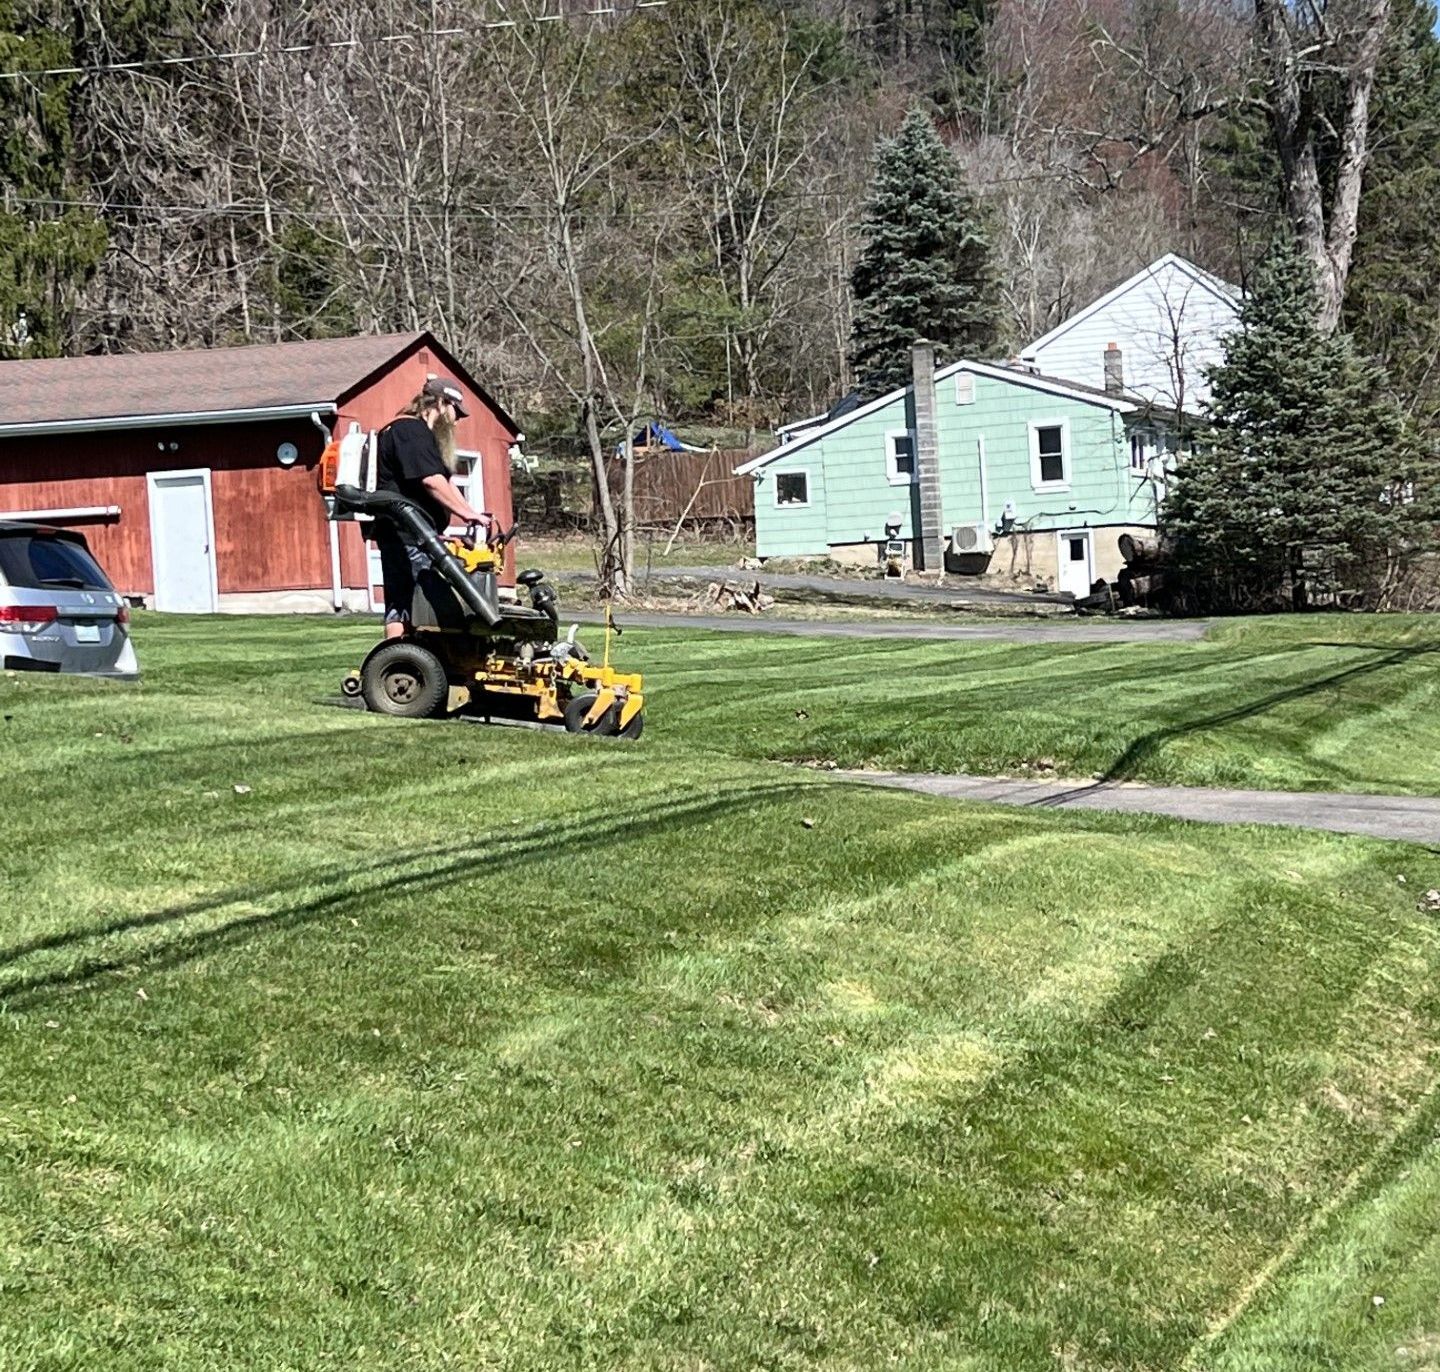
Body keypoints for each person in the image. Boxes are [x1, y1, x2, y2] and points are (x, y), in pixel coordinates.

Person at [372, 376, 490, 639]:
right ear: (440, 402)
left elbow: (436, 482)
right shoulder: (411, 431)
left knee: (400, 605)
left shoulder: (403, 432)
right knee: (427, 603)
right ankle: (418, 663)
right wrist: (469, 514)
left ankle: (399, 665)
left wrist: (458, 518)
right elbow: (433, 482)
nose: (456, 420)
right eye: (455, 411)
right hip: (409, 536)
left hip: (403, 533)